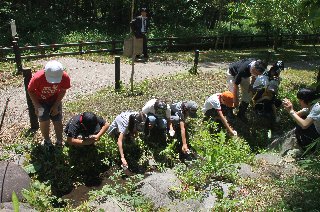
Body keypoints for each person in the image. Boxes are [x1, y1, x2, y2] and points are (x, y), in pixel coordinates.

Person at [28, 60, 71, 146]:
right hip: (40, 101)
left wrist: (56, 105)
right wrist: (36, 105)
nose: (54, 82)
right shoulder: (37, 78)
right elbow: (30, 91)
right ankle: (47, 140)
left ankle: (59, 141)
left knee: (57, 120)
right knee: (44, 121)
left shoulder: (65, 77)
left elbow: (63, 91)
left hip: (55, 100)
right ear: (45, 72)